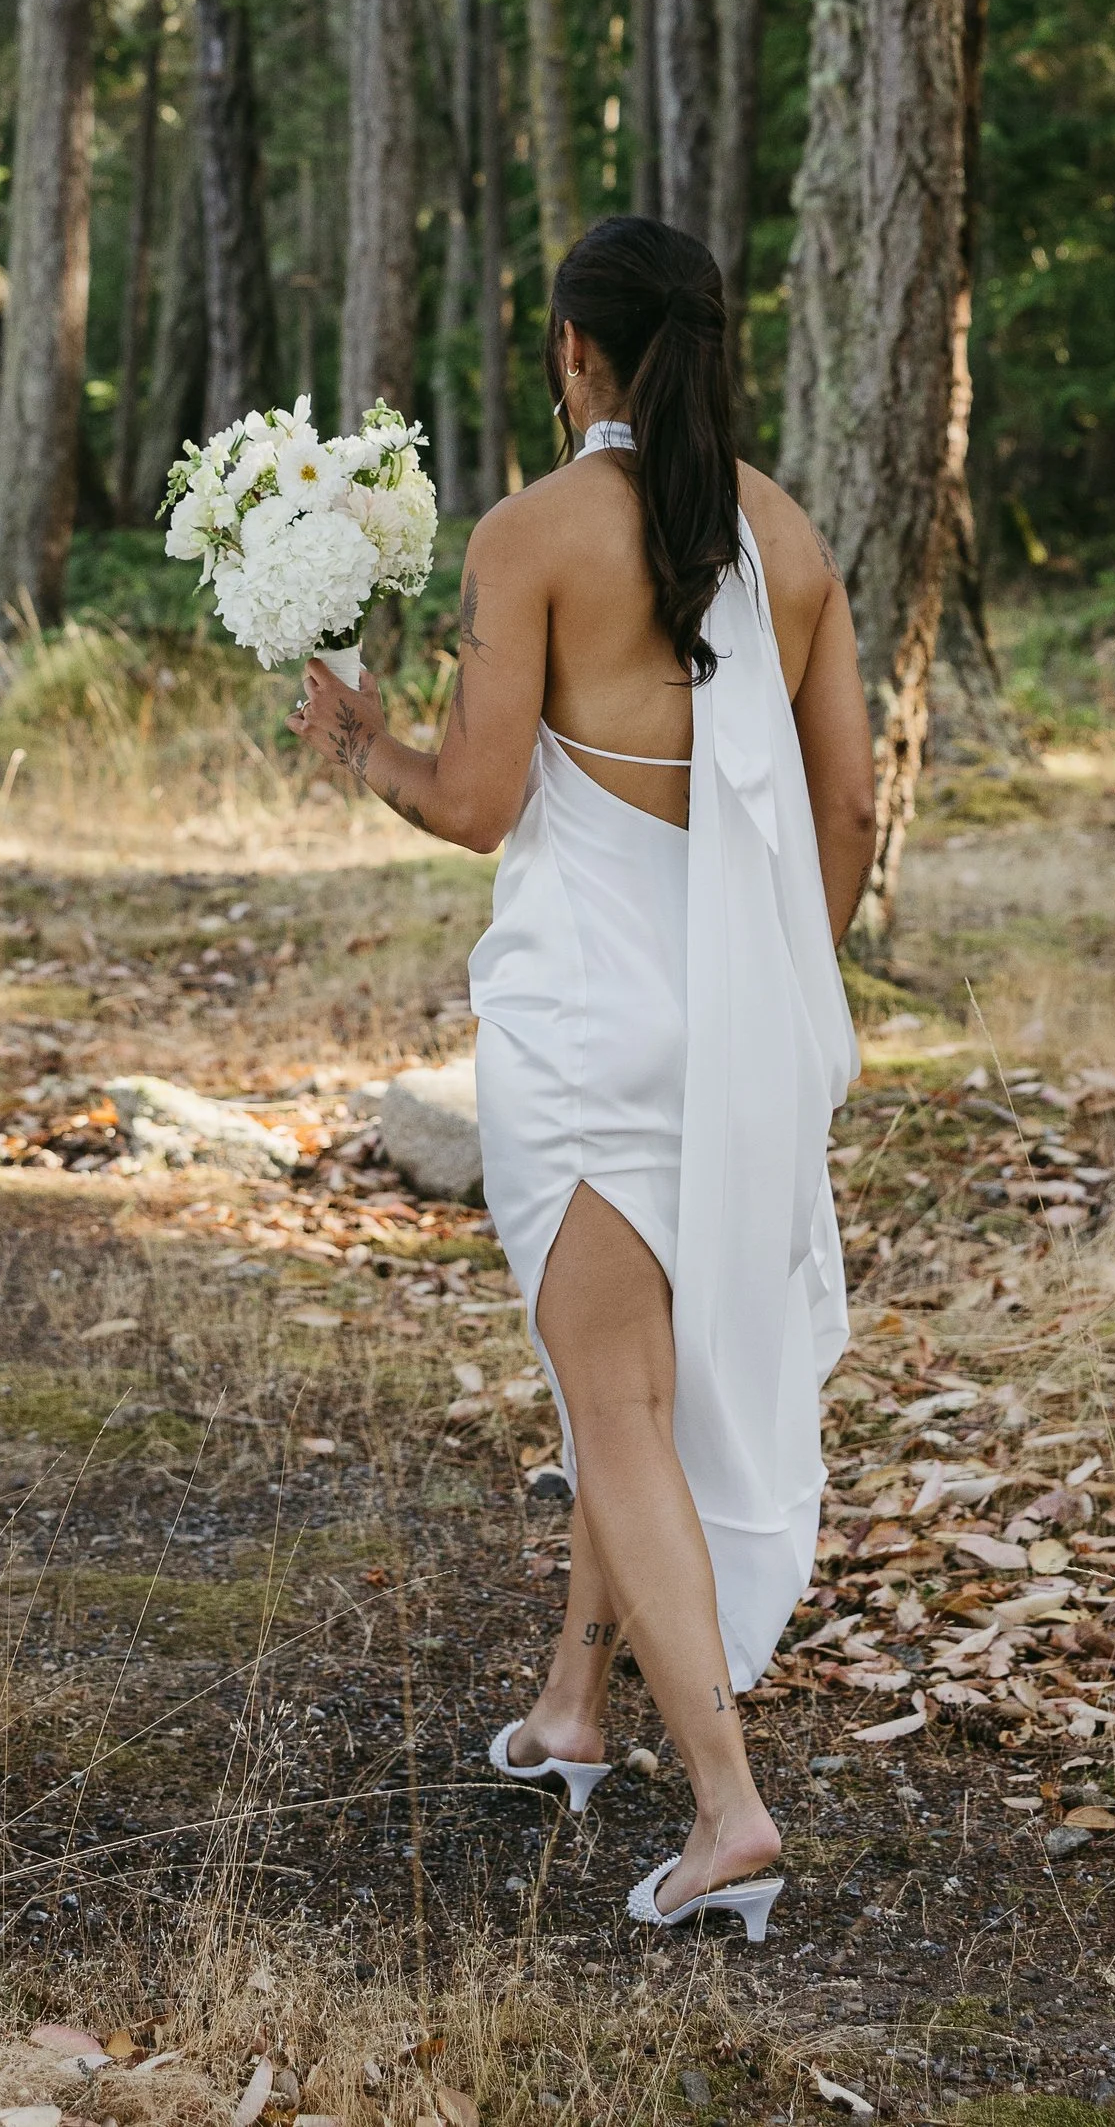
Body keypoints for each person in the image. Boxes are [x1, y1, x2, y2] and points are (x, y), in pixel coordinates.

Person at [294, 215, 874, 1938]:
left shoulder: (532, 532)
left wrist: (357, 742)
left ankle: (728, 1804)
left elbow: (472, 802)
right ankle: (573, 1699)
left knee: (614, 1404)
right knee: (624, 1388)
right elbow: (846, 812)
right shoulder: (787, 534)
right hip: (742, 1020)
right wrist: (780, 985)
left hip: (591, 1015)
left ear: (575, 351)